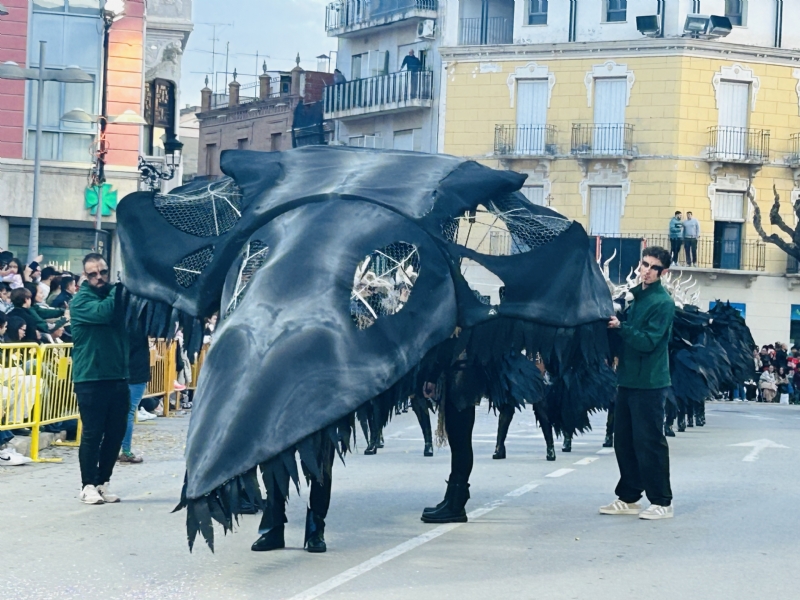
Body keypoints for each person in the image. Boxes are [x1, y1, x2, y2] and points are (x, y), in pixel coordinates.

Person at [603, 246, 675, 520]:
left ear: (663, 272)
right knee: (623, 441)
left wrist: (621, 327)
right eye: (645, 264)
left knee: (649, 442)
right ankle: (629, 497)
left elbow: (648, 341)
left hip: (650, 382)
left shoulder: (663, 303)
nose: (646, 271)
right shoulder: (635, 297)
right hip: (628, 380)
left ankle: (662, 501)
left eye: (654, 267)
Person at [70, 253, 130, 505]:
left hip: (118, 375)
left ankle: (103, 482)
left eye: (103, 272)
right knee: (93, 434)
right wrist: (121, 288)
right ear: (85, 276)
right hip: (90, 378)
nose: (99, 277)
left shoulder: (115, 296)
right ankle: (87, 485)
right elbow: (104, 313)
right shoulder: (80, 301)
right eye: (93, 273)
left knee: (115, 434)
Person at [118, 330, 152, 464]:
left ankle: (111, 449)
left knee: (116, 413)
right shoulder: (141, 324)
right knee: (128, 412)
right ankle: (126, 451)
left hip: (117, 371)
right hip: (137, 372)